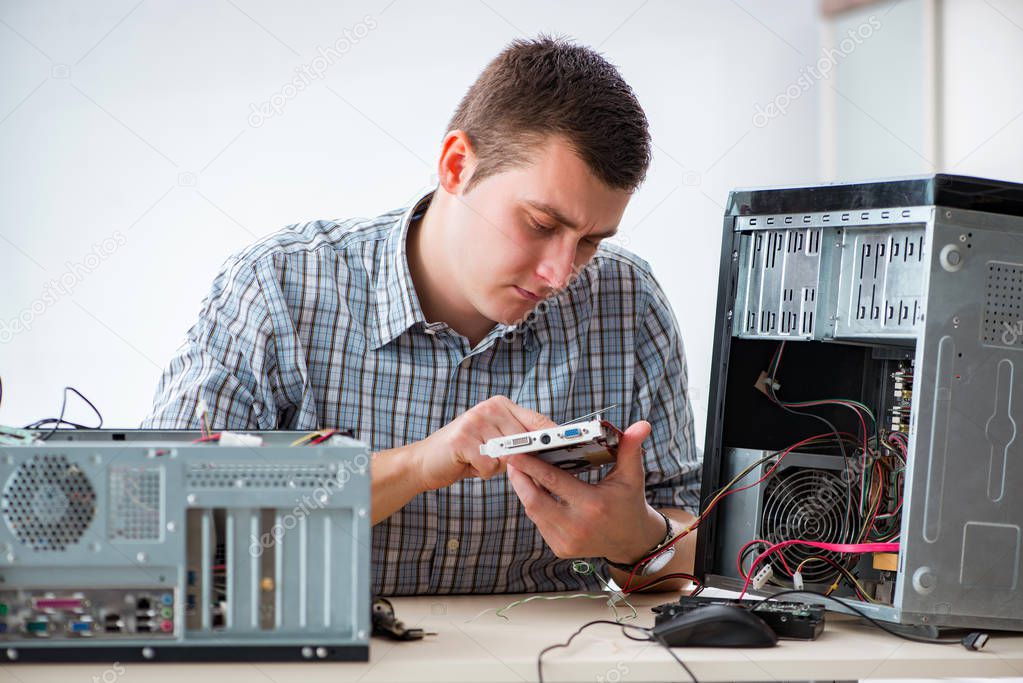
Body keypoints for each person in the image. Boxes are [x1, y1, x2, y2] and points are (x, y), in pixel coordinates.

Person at [142, 35, 702, 595]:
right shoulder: (279, 287)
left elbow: (707, 540)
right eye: (540, 224)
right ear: (457, 165)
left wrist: (639, 540)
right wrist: (417, 466)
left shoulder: (630, 301)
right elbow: (162, 516)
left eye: (589, 242)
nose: (560, 274)